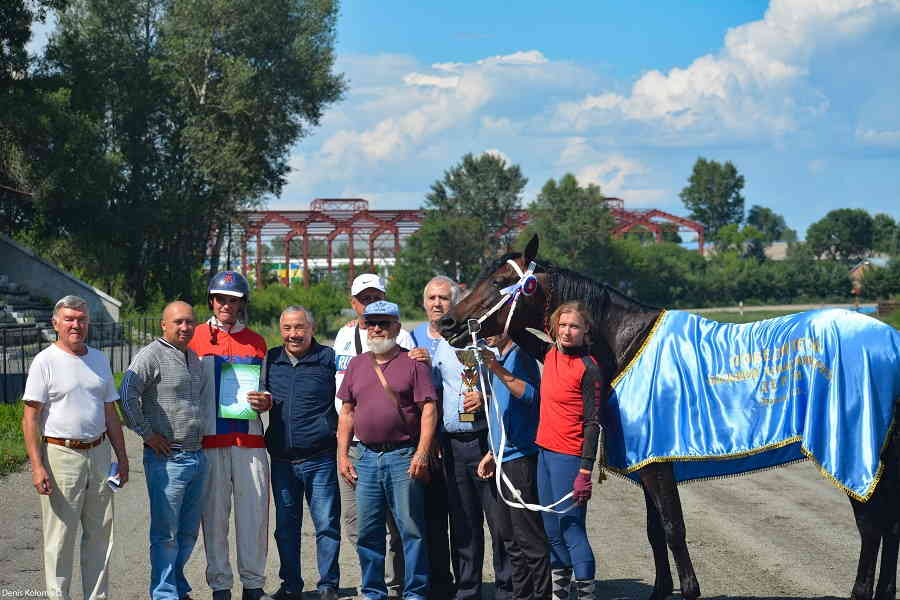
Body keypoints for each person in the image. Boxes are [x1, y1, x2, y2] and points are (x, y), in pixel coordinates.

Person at [21, 295, 130, 600]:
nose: (75, 325)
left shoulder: (98, 359)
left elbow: (110, 412)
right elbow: (30, 417)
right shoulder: (45, 361)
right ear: (56, 323)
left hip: (99, 453)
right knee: (60, 537)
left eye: (81, 319)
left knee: (100, 536)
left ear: (88, 323)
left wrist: (122, 458)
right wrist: (37, 465)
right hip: (61, 455)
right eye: (69, 319)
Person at [337, 300, 437, 600]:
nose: (377, 329)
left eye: (384, 323)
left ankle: (415, 592)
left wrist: (422, 452)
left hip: (403, 457)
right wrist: (343, 454)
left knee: (410, 531)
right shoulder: (356, 364)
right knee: (368, 533)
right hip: (365, 458)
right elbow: (347, 412)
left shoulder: (413, 363)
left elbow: (429, 410)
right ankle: (373, 592)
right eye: (371, 323)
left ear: (397, 326)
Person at [189, 271, 273, 600]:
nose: (226, 305)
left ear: (242, 303)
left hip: (249, 442)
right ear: (211, 301)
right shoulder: (193, 337)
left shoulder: (257, 341)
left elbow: (266, 389)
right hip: (209, 442)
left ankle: (253, 585)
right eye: (221, 298)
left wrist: (266, 400)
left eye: (233, 299)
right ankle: (220, 587)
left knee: (254, 517)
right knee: (213, 518)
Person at [119, 301, 208, 600]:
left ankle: (177, 586)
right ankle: (164, 593)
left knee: (187, 533)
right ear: (163, 324)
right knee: (166, 534)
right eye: (178, 322)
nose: (185, 328)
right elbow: (126, 394)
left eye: (190, 322)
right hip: (168, 459)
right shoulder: (150, 355)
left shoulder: (193, 357)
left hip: (196, 456)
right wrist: (147, 434)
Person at [430, 282, 513, 600]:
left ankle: (506, 588)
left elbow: (511, 386)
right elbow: (434, 393)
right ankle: (467, 590)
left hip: (488, 442)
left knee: (500, 523)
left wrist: (487, 393)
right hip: (453, 444)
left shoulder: (491, 344)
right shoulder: (440, 345)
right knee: (463, 525)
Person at [260, 306, 340, 600]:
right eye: (287, 328)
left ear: (312, 328)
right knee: (285, 529)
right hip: (281, 459)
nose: (293, 334)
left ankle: (328, 584)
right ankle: (291, 585)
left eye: (299, 327)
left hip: (320, 457)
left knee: (327, 525)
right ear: (281, 330)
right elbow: (257, 393)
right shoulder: (270, 359)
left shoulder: (328, 359)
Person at [535, 302, 607, 600]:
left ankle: (587, 594)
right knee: (551, 530)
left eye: (573, 326)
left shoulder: (589, 368)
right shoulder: (548, 353)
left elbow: (593, 423)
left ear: (585, 330)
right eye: (562, 325)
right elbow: (514, 328)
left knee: (572, 530)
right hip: (543, 453)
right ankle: (560, 594)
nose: (567, 331)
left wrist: (585, 470)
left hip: (569, 456)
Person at [475, 333, 551, 600]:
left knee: (529, 538)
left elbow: (531, 396)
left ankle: (541, 595)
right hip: (501, 457)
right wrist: (491, 452)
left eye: (493, 327)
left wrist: (495, 367)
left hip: (520, 459)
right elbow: (500, 412)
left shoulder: (521, 355)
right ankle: (522, 595)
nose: (487, 334)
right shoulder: (499, 356)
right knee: (509, 538)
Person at [408, 277, 461, 599]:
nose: (437, 303)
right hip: (423, 443)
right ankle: (436, 580)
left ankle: (463, 583)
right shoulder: (410, 336)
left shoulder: (465, 338)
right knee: (429, 517)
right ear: (423, 302)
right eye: (432, 297)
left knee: (463, 517)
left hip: (459, 438)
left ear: (454, 302)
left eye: (443, 297)